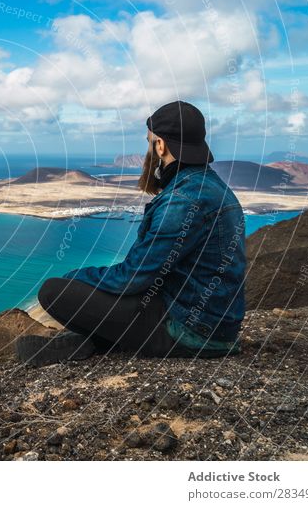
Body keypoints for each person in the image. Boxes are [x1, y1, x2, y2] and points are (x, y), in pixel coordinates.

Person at [16, 101, 246, 366]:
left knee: (53, 291)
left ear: (160, 145)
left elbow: (132, 277)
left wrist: (76, 278)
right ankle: (97, 340)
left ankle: (98, 341)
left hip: (189, 331)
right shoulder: (214, 187)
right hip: (215, 325)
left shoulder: (181, 201)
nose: (149, 150)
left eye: (150, 142)